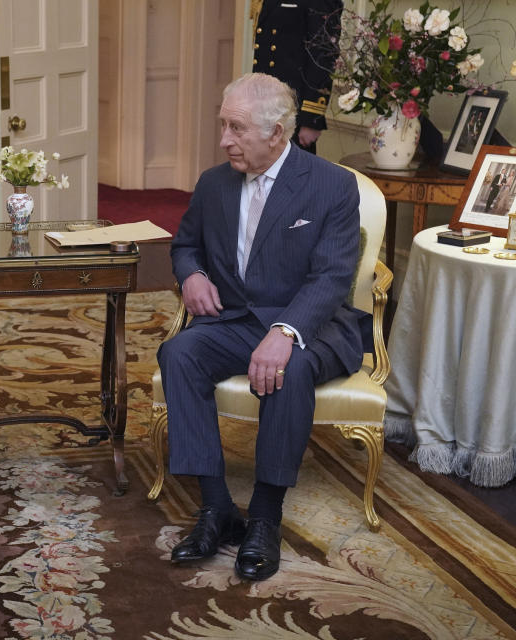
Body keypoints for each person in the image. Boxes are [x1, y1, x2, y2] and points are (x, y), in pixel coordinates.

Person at [158, 73, 368, 581]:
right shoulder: (214, 183)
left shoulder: (331, 185)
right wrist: (193, 276)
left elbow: (333, 276)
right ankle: (217, 509)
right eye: (223, 125)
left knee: (288, 369)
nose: (225, 139)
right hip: (235, 319)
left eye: (237, 128)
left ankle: (265, 519)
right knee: (179, 353)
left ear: (277, 133)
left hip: (311, 324)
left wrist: (286, 330)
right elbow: (185, 245)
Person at [251, 0, 342, 154]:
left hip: (294, 111)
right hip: (266, 107)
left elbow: (322, 57)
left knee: (292, 173)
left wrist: (312, 119)